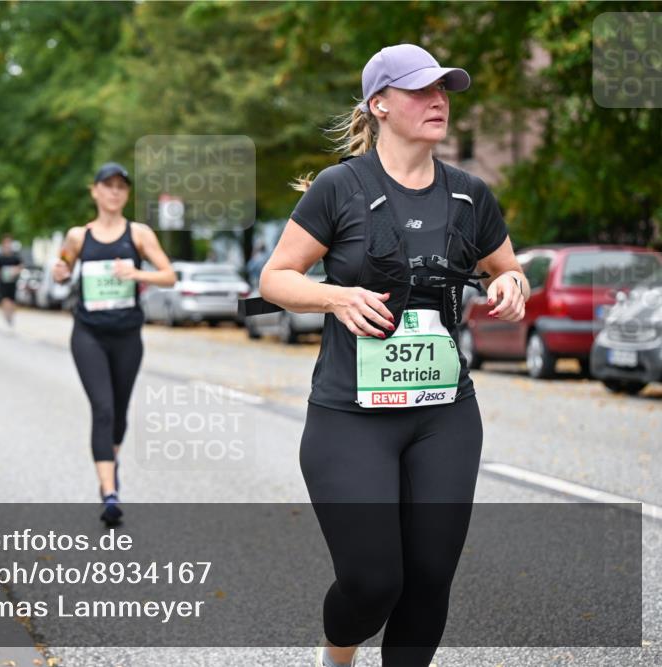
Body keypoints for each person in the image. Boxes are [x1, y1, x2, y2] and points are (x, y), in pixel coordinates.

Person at [256, 44, 529, 667]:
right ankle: (337, 655)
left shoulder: (469, 194)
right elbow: (275, 278)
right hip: (350, 416)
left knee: (429, 580)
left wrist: (512, 283)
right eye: (420, 90)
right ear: (379, 104)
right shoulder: (340, 187)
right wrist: (334, 297)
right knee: (374, 581)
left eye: (443, 90)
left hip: (444, 414)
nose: (438, 100)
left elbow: (507, 268)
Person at [52, 162, 176, 526]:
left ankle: (111, 464)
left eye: (121, 186)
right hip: (88, 333)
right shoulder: (78, 236)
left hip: (127, 336)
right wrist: (60, 272)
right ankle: (109, 493)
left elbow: (169, 275)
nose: (114, 192)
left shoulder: (138, 234)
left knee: (119, 412)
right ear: (94, 191)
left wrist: (136, 273)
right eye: (107, 185)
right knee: (103, 409)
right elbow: (62, 269)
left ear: (127, 194)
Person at [0, 234, 23, 327]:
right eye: (5, 243)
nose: (7, 245)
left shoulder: (15, 256)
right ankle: (6, 315)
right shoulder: (0, 257)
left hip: (12, 282)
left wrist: (15, 270)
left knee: (12, 300)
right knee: (5, 299)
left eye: (9, 243)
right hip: (3, 282)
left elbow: (21, 266)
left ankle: (11, 315)